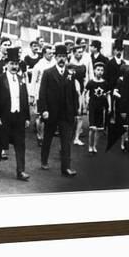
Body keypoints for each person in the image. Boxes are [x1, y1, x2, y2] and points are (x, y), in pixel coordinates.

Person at [0, 47, 31, 181]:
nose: (14, 66)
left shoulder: (21, 79)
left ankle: (20, 171)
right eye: (12, 64)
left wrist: (27, 117)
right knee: (0, 142)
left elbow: (24, 99)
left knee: (20, 144)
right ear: (6, 64)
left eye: (16, 64)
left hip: (18, 117)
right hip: (4, 116)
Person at [38, 44, 79, 177]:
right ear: (55, 57)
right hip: (51, 112)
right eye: (59, 56)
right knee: (48, 138)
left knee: (66, 140)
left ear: (67, 58)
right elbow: (42, 93)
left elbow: (74, 94)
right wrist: (43, 110)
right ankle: (44, 160)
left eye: (64, 57)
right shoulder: (48, 73)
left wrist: (75, 112)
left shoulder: (70, 74)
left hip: (65, 114)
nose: (62, 59)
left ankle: (66, 168)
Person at [29, 44, 55, 146]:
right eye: (49, 53)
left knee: (49, 116)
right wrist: (32, 95)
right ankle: (40, 136)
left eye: (52, 53)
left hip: (51, 93)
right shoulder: (38, 65)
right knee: (40, 116)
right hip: (40, 92)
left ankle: (46, 136)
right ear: (44, 54)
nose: (52, 55)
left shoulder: (54, 63)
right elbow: (33, 81)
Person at [85, 62, 111, 154]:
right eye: (98, 70)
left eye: (102, 70)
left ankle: (95, 146)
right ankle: (90, 146)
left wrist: (109, 106)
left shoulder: (105, 83)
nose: (100, 72)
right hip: (92, 106)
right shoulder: (91, 82)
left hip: (101, 107)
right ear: (95, 71)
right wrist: (86, 102)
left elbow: (108, 95)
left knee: (99, 129)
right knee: (92, 128)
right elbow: (85, 92)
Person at [113, 64, 129, 151]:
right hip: (122, 104)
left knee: (126, 125)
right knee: (124, 125)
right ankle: (123, 143)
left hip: (126, 104)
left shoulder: (128, 81)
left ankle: (126, 141)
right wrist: (121, 96)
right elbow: (115, 92)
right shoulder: (120, 81)